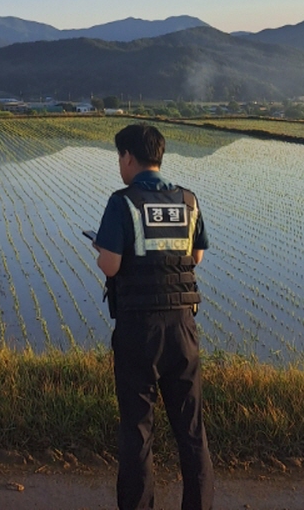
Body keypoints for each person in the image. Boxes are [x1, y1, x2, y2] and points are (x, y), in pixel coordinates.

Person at [94, 122, 213, 510]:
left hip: (138, 330)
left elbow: (111, 266)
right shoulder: (188, 200)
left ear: (129, 158)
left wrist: (102, 251)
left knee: (138, 431)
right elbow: (196, 256)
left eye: (119, 158)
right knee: (191, 432)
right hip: (183, 328)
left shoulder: (122, 201)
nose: (119, 165)